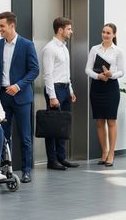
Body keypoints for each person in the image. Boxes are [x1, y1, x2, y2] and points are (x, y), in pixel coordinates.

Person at [0, 11, 39, 183]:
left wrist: (18, 86)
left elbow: (34, 70)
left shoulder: (27, 45)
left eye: (1, 26)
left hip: (22, 97)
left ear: (12, 26)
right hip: (2, 97)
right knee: (2, 135)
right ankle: (3, 169)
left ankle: (26, 171)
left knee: (25, 136)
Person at [42, 17, 79, 170]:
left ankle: (62, 158)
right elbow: (48, 75)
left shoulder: (64, 47)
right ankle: (52, 160)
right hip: (55, 89)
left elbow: (66, 72)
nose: (71, 31)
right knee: (52, 127)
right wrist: (52, 96)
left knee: (63, 125)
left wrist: (70, 90)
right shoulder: (49, 48)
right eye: (69, 29)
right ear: (60, 30)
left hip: (64, 89)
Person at [85, 23, 124, 167]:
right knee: (99, 121)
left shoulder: (118, 51)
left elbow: (122, 71)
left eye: (108, 33)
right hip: (97, 86)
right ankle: (104, 151)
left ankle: (112, 153)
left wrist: (111, 74)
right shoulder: (95, 49)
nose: (105, 35)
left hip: (111, 87)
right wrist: (98, 76)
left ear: (114, 35)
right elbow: (87, 70)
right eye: (103, 32)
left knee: (111, 121)